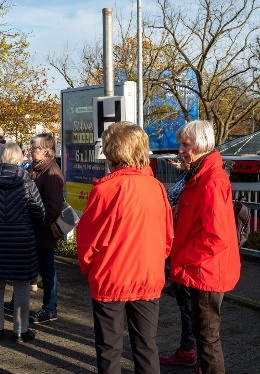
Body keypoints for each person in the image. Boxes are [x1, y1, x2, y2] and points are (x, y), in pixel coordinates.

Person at [76, 121, 173, 374]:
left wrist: (90, 270)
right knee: (146, 346)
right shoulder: (156, 188)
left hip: (111, 277)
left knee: (109, 350)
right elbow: (167, 238)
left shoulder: (106, 190)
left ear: (112, 152)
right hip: (147, 276)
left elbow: (88, 241)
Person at [169, 120, 240, 374]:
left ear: (200, 145)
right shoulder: (199, 175)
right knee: (204, 334)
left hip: (206, 270)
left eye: (185, 145)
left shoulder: (210, 180)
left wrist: (184, 258)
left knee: (208, 338)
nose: (180, 150)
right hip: (203, 268)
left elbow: (217, 236)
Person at [0, 142, 45, 343]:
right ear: (19, 158)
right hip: (22, 241)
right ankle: (20, 331)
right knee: (22, 286)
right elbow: (40, 213)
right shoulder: (27, 183)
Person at [4, 133, 63, 324]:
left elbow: (53, 209)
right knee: (24, 267)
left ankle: (50, 308)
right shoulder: (34, 168)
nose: (30, 150)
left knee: (47, 271)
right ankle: (16, 301)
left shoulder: (52, 173)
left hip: (42, 232)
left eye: (34, 147)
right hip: (30, 230)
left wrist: (35, 222)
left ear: (46, 151)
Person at [160, 155, 197, 367]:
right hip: (177, 250)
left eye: (185, 147)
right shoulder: (186, 177)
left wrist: (173, 213)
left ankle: (194, 354)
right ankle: (187, 349)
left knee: (192, 308)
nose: (179, 154)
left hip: (187, 253)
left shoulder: (197, 181)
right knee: (185, 305)